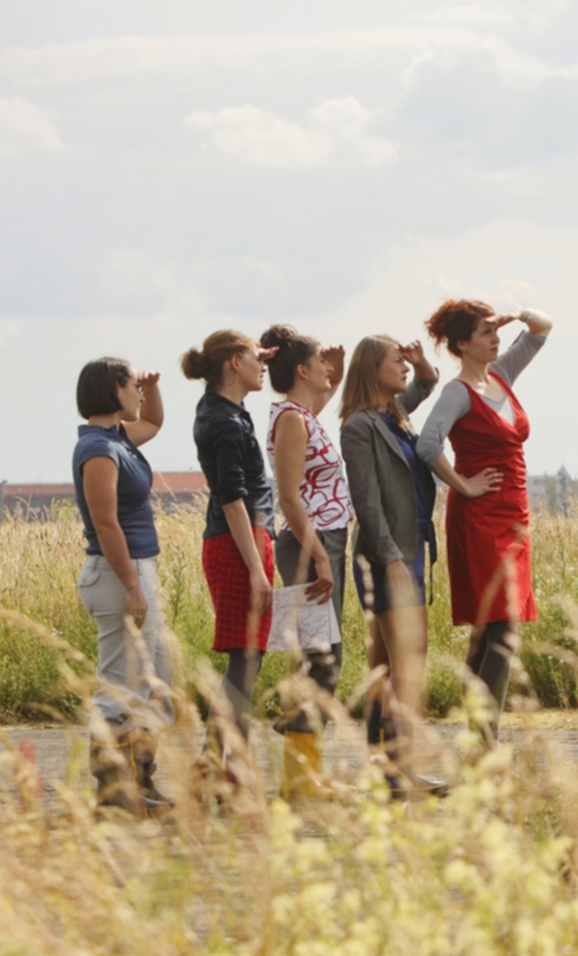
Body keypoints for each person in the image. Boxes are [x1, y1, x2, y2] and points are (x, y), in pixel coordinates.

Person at [339, 334, 499, 790]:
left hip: (409, 550)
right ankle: (399, 769)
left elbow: (427, 380)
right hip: (388, 554)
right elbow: (366, 503)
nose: (405, 368)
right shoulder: (359, 426)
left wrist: (418, 359)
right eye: (396, 361)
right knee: (408, 663)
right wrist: (389, 558)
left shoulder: (395, 415)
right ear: (373, 368)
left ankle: (384, 769)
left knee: (388, 667)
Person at [417, 300, 553, 746]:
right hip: (478, 517)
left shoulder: (502, 373)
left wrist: (516, 315)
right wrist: (463, 484)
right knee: (502, 625)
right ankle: (485, 742)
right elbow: (427, 444)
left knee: (491, 629)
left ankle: (475, 738)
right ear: (462, 344)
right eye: (484, 332)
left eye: (495, 331)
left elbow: (542, 329)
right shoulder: (458, 392)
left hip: (515, 515)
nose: (495, 338)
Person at [74, 356, 174, 814]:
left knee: (155, 686)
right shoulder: (98, 449)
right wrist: (133, 586)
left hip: (136, 569)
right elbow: (105, 523)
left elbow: (152, 419)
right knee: (121, 689)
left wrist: (152, 387)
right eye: (133, 385)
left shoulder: (119, 439)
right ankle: (115, 793)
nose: (139, 392)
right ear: (113, 389)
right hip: (118, 573)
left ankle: (141, 782)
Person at [258, 323, 349, 798]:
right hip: (309, 544)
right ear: (301, 370)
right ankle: (301, 777)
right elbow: (290, 499)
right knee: (321, 658)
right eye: (321, 364)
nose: (328, 370)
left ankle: (302, 774)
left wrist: (339, 365)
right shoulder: (291, 419)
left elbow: (322, 401)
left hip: (324, 541)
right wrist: (320, 557)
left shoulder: (302, 413)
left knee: (321, 656)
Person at [182, 329, 276, 788]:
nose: (264, 366)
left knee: (249, 657)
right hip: (238, 542)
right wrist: (257, 568)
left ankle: (214, 765)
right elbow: (232, 498)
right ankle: (222, 769)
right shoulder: (222, 421)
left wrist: (257, 353)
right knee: (244, 658)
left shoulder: (227, 411)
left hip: (245, 540)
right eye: (254, 359)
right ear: (234, 364)